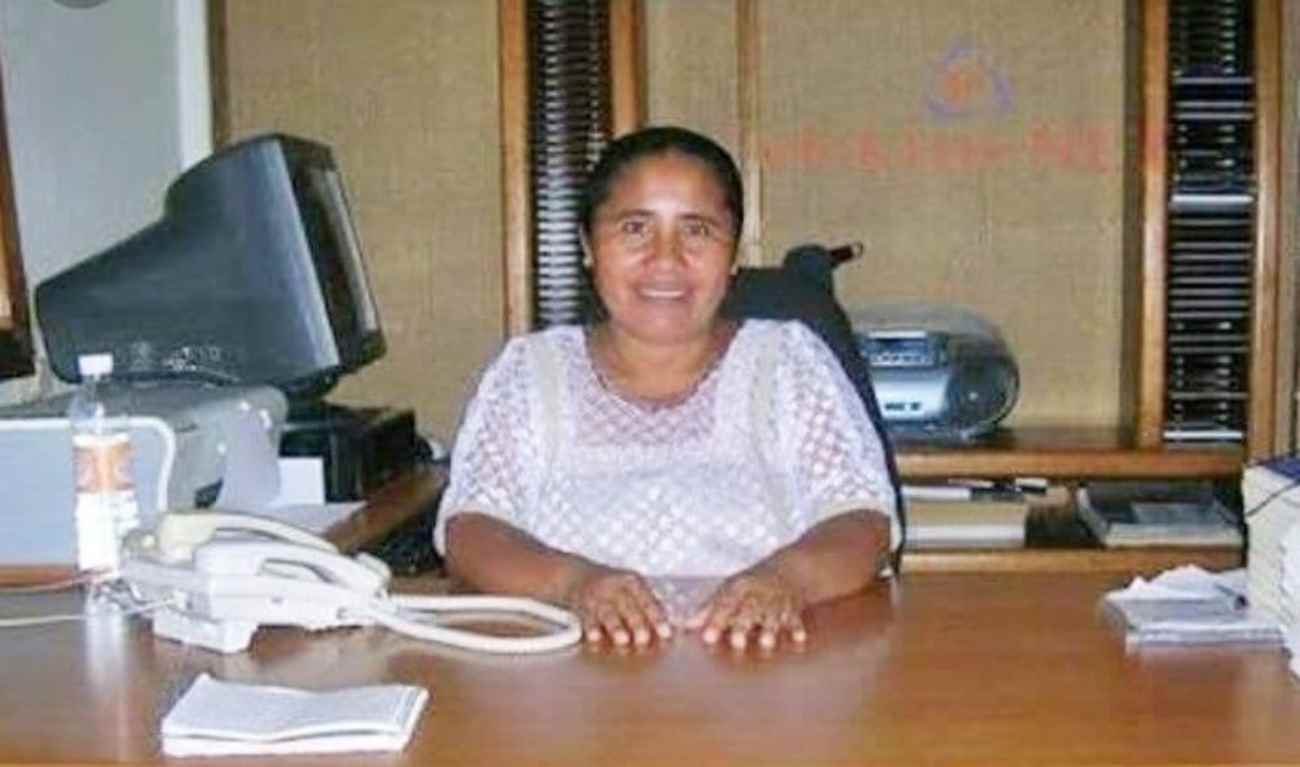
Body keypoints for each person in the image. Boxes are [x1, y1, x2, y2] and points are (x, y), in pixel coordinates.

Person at [435, 126, 899, 652]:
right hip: (574, 676)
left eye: (697, 230)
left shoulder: (786, 362)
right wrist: (573, 584)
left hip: (759, 666)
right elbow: (472, 530)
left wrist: (785, 579)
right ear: (588, 246)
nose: (666, 259)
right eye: (635, 228)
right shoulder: (530, 372)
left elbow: (862, 520)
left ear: (733, 253)